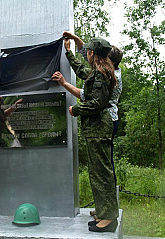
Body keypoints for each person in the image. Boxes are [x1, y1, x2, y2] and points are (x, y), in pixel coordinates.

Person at [52, 36, 119, 232]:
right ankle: (103, 211)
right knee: (97, 172)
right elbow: (81, 71)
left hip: (98, 128)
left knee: (101, 173)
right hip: (96, 129)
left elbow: (97, 104)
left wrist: (77, 110)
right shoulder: (99, 72)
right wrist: (68, 52)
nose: (87, 54)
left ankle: (109, 217)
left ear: (92, 54)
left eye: (88, 51)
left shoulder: (101, 74)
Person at [63, 32, 123, 186]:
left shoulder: (105, 75)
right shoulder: (105, 69)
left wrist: (64, 84)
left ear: (108, 60)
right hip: (105, 122)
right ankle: (106, 206)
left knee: (103, 167)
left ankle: (108, 205)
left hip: (105, 122)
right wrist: (75, 39)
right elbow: (86, 53)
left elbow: (86, 96)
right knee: (104, 166)